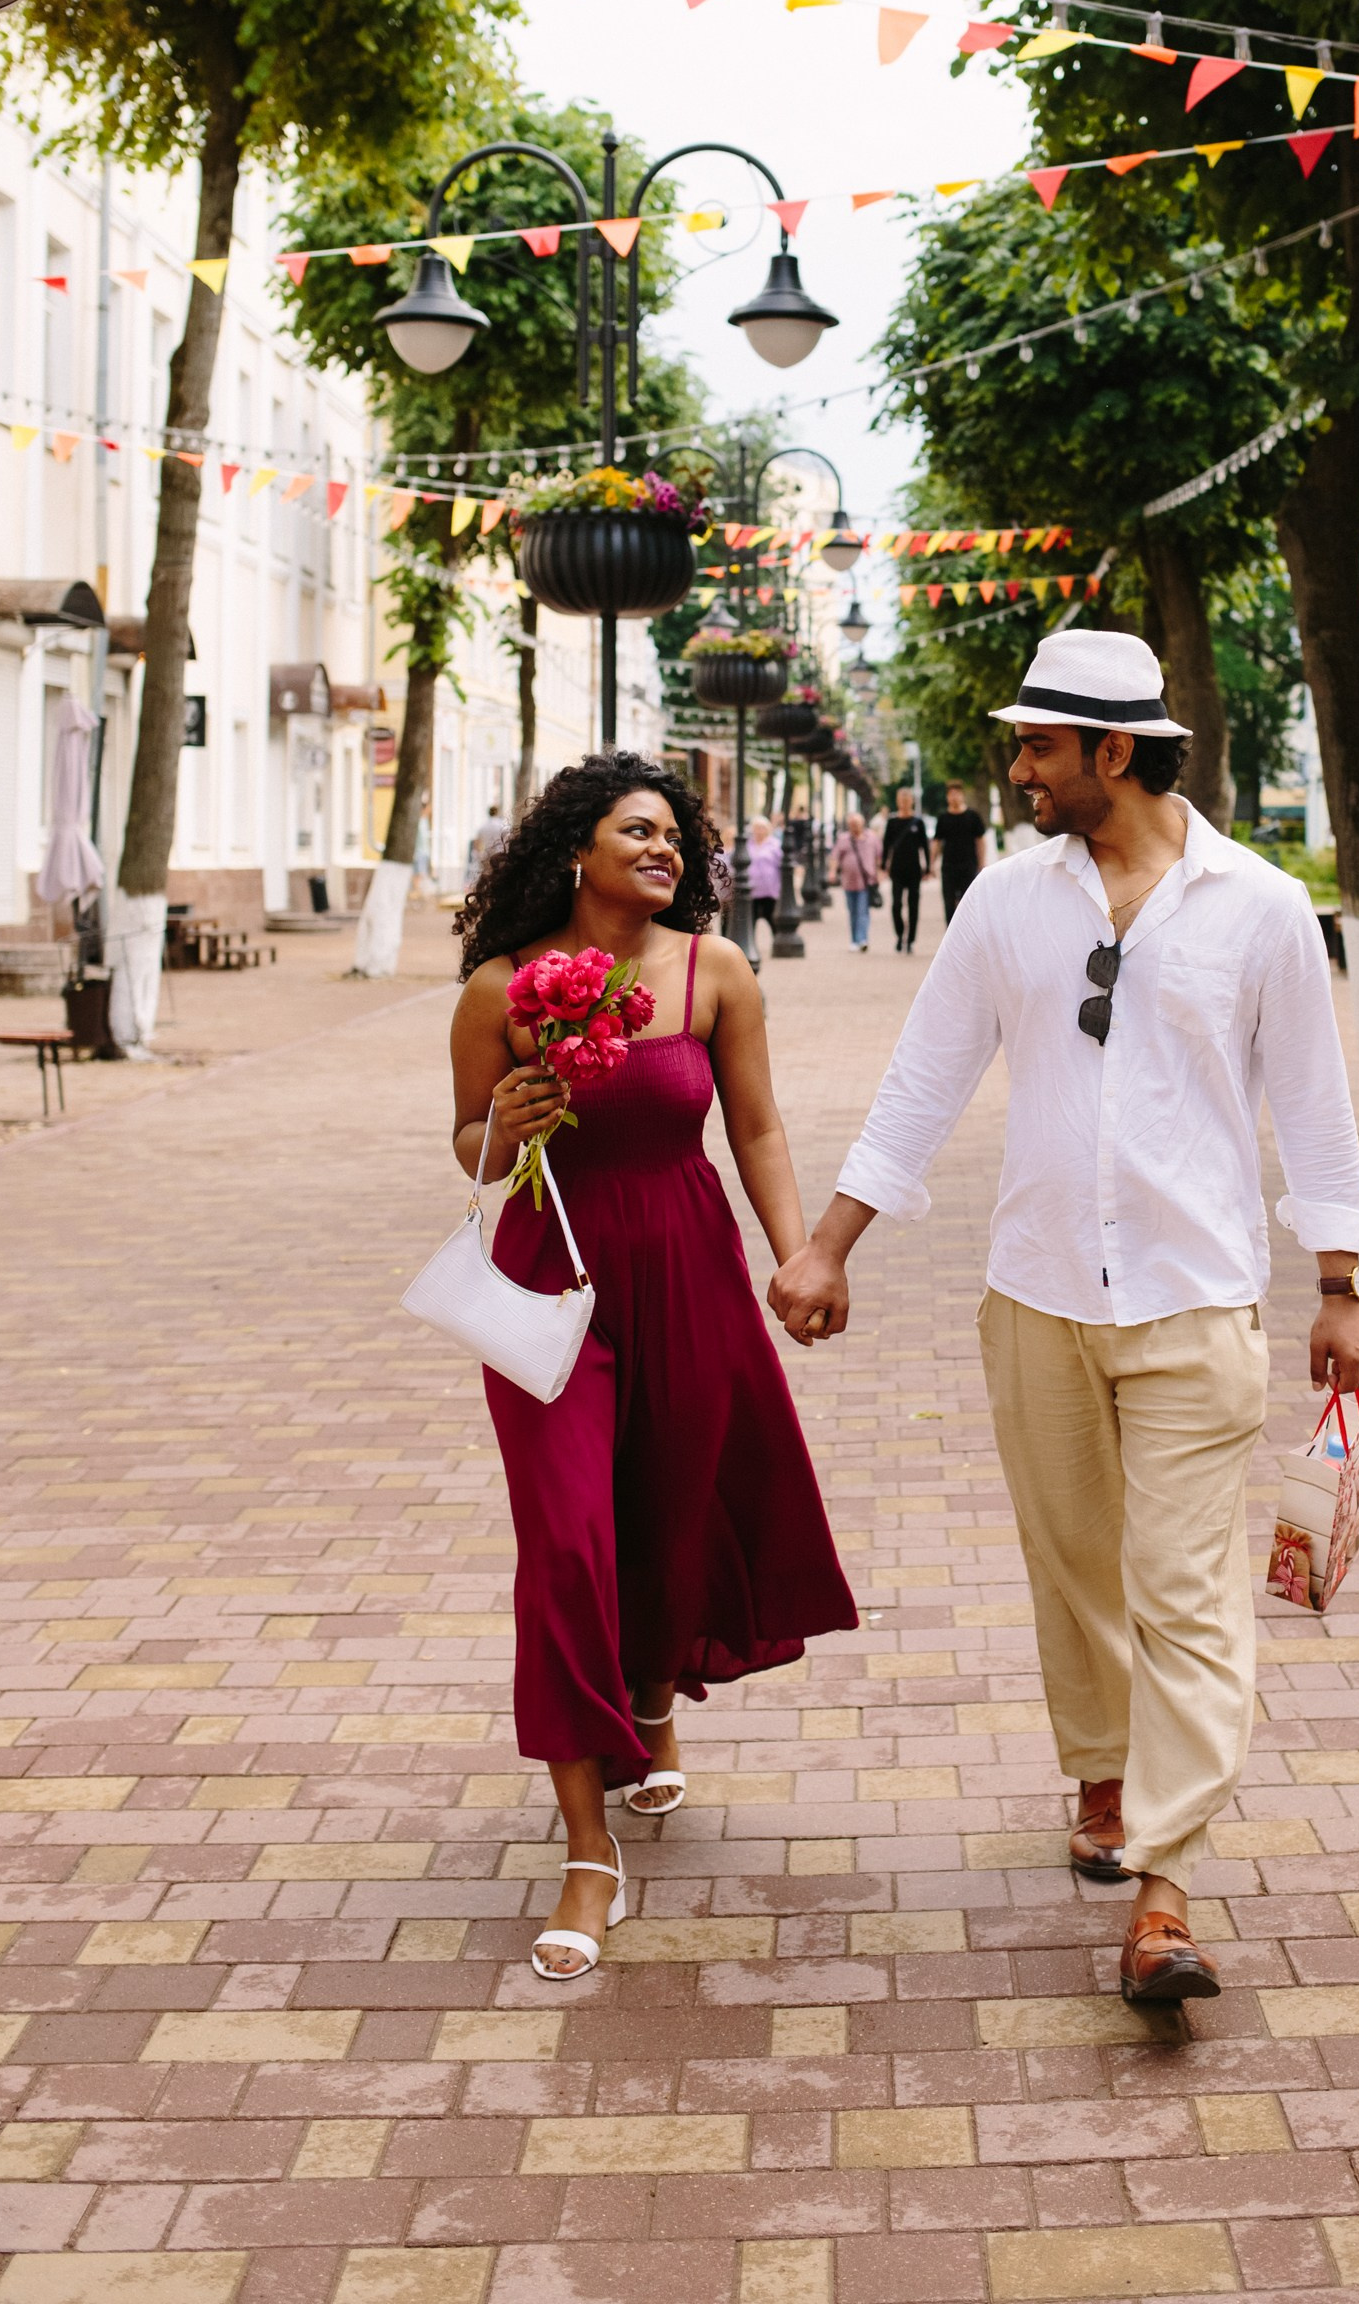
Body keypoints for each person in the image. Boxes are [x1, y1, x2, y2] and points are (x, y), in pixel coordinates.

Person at [768, 631, 1359, 2008]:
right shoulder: (1004, 902)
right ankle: (1102, 1779)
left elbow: (1316, 1113)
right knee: (1074, 1566)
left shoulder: (1263, 907)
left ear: (1115, 752)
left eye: (1040, 746)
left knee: (1191, 1594)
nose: (1019, 766)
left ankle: (1165, 1893)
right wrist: (827, 1246)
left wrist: (1342, 1285)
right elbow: (926, 1079)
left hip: (1196, 1299)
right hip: (1036, 1293)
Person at [450, 753, 856, 1982]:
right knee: (568, 1545)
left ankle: (652, 1695)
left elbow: (758, 1127)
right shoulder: (497, 988)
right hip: (549, 1281)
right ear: (575, 846)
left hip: (685, 1263)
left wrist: (799, 1260)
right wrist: (503, 1124)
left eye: (677, 837)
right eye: (639, 830)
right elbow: (465, 1139)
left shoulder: (713, 970)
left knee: (669, 1525)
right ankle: (585, 1848)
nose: (666, 850)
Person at [933, 781, 988, 927]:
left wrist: (982, 862)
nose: (954, 797)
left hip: (969, 865)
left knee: (968, 903)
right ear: (947, 797)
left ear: (962, 796)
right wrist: (932, 864)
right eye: (951, 794)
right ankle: (951, 937)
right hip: (948, 866)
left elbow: (980, 841)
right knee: (949, 903)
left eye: (957, 794)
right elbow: (936, 842)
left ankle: (968, 935)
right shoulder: (943, 818)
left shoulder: (973, 816)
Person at [881, 788, 929, 953]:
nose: (904, 801)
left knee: (913, 905)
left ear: (912, 801)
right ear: (897, 801)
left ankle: (910, 940)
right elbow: (886, 845)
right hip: (897, 869)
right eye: (901, 799)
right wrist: (883, 865)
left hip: (914, 869)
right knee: (896, 905)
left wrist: (928, 867)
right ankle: (900, 934)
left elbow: (925, 846)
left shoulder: (918, 822)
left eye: (907, 799)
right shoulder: (892, 822)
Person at [832, 810, 882, 951]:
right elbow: (835, 857)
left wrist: (879, 873)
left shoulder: (871, 838)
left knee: (862, 911)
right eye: (852, 824)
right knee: (853, 912)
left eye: (857, 824)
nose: (854, 827)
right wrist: (832, 872)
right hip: (848, 882)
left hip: (866, 882)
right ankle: (854, 940)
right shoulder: (843, 839)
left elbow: (879, 857)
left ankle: (862, 939)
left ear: (862, 824)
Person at [747, 814, 782, 936]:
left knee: (772, 917)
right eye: (756, 828)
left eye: (762, 828)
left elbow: (781, 865)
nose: (759, 831)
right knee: (751, 920)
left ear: (767, 829)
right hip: (751, 889)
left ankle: (778, 941)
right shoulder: (748, 844)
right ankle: (750, 946)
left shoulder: (774, 844)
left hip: (770, 889)